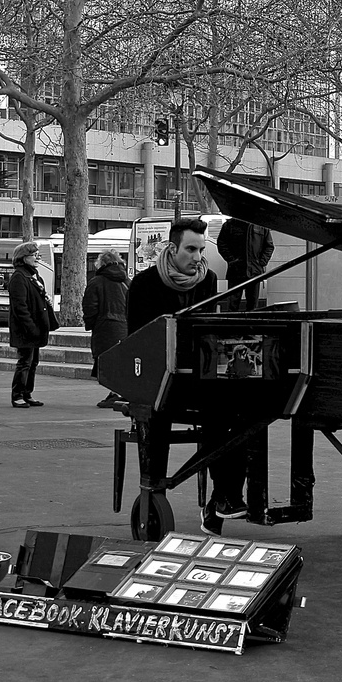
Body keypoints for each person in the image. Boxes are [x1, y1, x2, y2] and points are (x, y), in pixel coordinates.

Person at [127, 217, 246, 528]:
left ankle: (225, 496)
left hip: (201, 375)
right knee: (215, 416)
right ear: (172, 247)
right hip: (160, 381)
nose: (196, 257)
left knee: (246, 413)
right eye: (190, 249)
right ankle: (218, 498)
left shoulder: (209, 281)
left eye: (201, 250)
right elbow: (138, 338)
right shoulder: (144, 284)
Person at [7, 241, 53, 409]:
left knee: (33, 363)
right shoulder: (19, 277)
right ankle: (17, 394)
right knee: (25, 362)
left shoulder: (34, 275)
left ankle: (27, 393)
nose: (37, 258)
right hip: (25, 329)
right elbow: (20, 307)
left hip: (35, 327)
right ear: (23, 258)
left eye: (37, 255)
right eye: (34, 255)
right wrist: (31, 327)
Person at [83, 249, 129, 409]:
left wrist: (90, 323)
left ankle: (115, 394)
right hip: (125, 327)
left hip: (104, 327)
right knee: (121, 362)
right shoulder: (126, 281)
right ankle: (121, 392)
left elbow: (90, 306)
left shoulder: (96, 282)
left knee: (107, 362)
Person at [217, 218, 274, 312]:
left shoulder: (261, 226)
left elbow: (269, 246)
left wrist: (261, 262)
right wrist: (232, 260)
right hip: (236, 271)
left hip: (254, 272)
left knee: (252, 307)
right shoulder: (230, 224)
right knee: (232, 307)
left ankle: (250, 326)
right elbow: (221, 243)